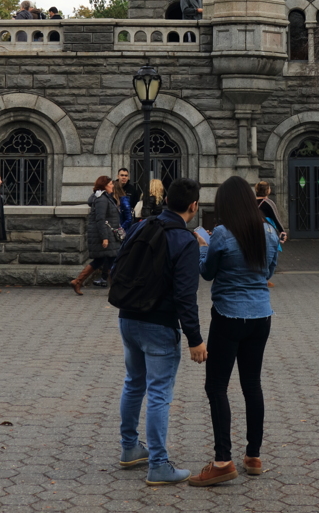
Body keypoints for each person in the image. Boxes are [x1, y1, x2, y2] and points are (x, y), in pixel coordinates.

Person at [116, 178, 207, 486]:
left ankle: (129, 447)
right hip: (159, 324)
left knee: (134, 383)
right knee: (158, 393)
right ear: (193, 206)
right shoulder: (185, 240)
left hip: (128, 317)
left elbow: (119, 262)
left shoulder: (144, 225)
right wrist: (195, 339)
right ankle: (158, 464)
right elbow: (185, 296)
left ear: (167, 199)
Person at [189, 176, 279, 486]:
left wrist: (203, 246)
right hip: (261, 316)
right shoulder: (268, 231)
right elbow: (268, 271)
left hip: (228, 317)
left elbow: (207, 273)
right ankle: (253, 456)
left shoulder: (223, 235)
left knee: (216, 386)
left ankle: (223, 460)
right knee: (251, 383)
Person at [69, 176, 121, 294]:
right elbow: (100, 219)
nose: (113, 186)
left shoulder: (104, 197)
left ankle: (77, 281)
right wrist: (105, 238)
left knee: (100, 260)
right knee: (112, 259)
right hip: (104, 235)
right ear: (104, 186)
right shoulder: (102, 199)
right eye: (111, 184)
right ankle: (115, 290)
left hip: (106, 234)